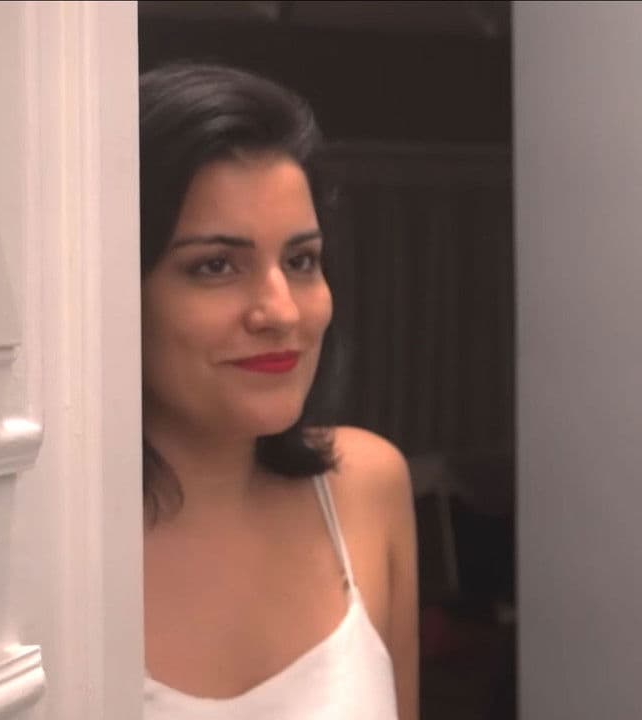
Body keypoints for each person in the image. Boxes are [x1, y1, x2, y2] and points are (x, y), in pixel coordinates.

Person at [139, 63, 417, 718]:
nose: (282, 311)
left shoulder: (365, 489)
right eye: (215, 265)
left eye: (300, 260)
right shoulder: (45, 542)